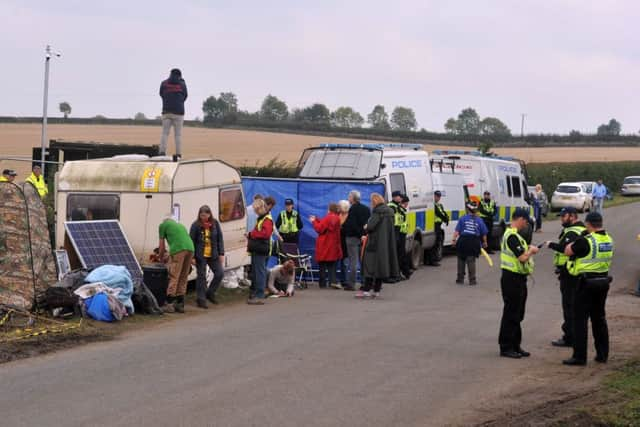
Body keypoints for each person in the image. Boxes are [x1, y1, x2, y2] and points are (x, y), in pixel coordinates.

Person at [562, 212, 614, 366]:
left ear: (588, 224)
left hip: (585, 283)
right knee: (599, 319)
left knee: (580, 320)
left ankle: (579, 356)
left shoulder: (586, 240)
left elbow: (567, 251)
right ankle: (602, 354)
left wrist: (579, 238)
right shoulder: (608, 239)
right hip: (603, 282)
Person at [498, 208, 539, 359]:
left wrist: (527, 249)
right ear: (520, 219)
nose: (526, 224)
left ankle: (516, 345)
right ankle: (506, 346)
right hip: (511, 278)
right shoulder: (511, 236)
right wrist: (532, 251)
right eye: (525, 221)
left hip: (519, 278)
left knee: (518, 313)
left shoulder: (515, 236)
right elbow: (522, 257)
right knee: (511, 313)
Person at [544, 207, 585, 348]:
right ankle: (572, 335)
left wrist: (551, 245)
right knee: (572, 305)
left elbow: (565, 249)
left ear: (573, 216)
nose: (561, 218)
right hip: (571, 272)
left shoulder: (573, 232)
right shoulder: (578, 229)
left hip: (571, 273)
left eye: (564, 216)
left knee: (569, 306)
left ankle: (570, 337)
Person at [356, 193, 398, 298]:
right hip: (386, 243)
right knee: (381, 267)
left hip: (374, 243)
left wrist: (366, 226)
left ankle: (366, 290)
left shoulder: (377, 212)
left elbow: (370, 227)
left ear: (374, 202)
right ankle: (376, 290)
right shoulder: (390, 212)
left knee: (369, 267)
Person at [189, 205, 225, 309]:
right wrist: (192, 257)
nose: (203, 217)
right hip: (200, 255)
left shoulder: (215, 223)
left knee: (219, 273)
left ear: (209, 214)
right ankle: (201, 299)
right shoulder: (195, 225)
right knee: (201, 277)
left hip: (213, 254)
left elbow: (220, 238)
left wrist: (221, 253)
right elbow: (191, 241)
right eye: (201, 215)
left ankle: (210, 292)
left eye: (205, 215)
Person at [158, 215, 195, 313]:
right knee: (183, 276)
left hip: (178, 249)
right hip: (191, 248)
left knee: (174, 275)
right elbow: (182, 239)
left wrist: (160, 258)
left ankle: (169, 304)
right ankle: (180, 304)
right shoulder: (180, 225)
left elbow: (161, 246)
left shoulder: (163, 225)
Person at [452, 201, 488, 286]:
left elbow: (457, 231)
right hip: (473, 241)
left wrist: (454, 240)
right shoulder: (479, 220)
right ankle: (472, 280)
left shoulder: (463, 218)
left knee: (461, 259)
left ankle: (460, 279)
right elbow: (484, 233)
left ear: (468, 209)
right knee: (471, 260)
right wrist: (485, 242)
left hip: (463, 241)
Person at [341, 190, 371, 291]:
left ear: (353, 198)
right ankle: (364, 282)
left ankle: (351, 284)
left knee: (353, 262)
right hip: (363, 238)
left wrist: (344, 227)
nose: (348, 198)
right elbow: (367, 224)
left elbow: (352, 224)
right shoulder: (366, 209)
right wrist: (363, 234)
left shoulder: (353, 209)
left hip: (353, 238)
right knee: (362, 261)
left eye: (349, 196)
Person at [246, 199, 273, 305]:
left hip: (261, 249)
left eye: (255, 210)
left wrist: (252, 235)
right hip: (258, 248)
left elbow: (265, 234)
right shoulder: (262, 218)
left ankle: (259, 295)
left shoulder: (267, 219)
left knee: (260, 272)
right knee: (257, 272)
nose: (255, 212)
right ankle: (257, 293)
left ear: (259, 208)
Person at [311, 203, 343, 289]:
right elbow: (325, 225)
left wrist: (314, 221)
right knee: (332, 264)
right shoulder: (337, 218)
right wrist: (317, 219)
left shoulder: (328, 217)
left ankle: (322, 283)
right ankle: (333, 281)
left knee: (322, 264)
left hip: (324, 243)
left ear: (329, 209)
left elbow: (320, 228)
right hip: (333, 244)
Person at [159, 68, 188, 159]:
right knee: (178, 135)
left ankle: (162, 152)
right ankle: (178, 153)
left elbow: (161, 94)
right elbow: (185, 95)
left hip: (166, 111)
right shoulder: (182, 84)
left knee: (165, 133)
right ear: (180, 76)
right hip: (179, 113)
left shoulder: (164, 83)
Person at [387, 191, 410, 281]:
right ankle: (396, 274)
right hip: (395, 232)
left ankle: (399, 273)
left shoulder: (397, 206)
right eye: (399, 197)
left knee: (400, 254)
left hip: (399, 232)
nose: (401, 198)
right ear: (395, 197)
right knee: (396, 255)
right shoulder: (391, 206)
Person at [433, 190, 449, 267]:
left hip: (439, 225)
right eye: (436, 196)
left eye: (439, 196)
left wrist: (447, 218)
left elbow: (443, 212)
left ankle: (435, 259)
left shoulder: (440, 205)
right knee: (435, 242)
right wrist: (445, 218)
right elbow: (438, 214)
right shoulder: (433, 205)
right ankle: (433, 260)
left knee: (438, 242)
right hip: (434, 225)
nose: (438, 198)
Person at [337, 199, 351, 287]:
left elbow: (347, 228)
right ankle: (341, 280)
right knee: (340, 261)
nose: (338, 207)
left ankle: (345, 280)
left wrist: (341, 228)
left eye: (339, 206)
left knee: (345, 262)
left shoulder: (349, 216)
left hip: (345, 242)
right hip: (338, 241)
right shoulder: (338, 215)